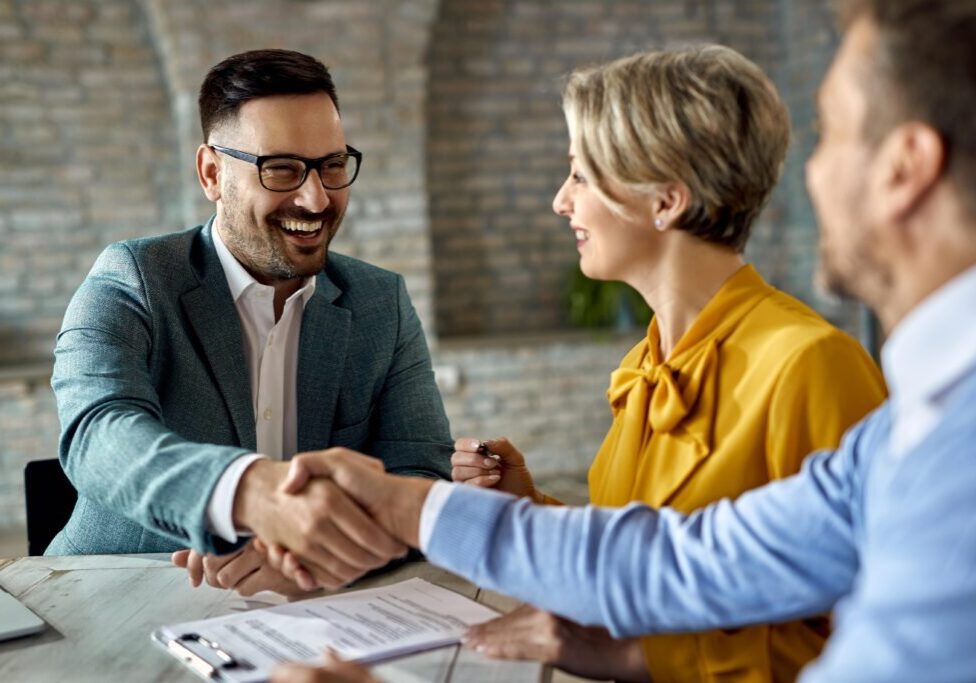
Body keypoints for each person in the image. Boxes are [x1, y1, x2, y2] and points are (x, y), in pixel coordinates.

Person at [265, 0, 976, 680]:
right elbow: (677, 559)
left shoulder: (823, 367)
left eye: (833, 134)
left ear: (666, 200)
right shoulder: (668, 370)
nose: (810, 173)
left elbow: (825, 636)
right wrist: (461, 506)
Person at [447, 44, 884, 682]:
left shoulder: (812, 364)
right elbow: (652, 561)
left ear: (665, 201)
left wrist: (635, 658)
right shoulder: (648, 361)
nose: (560, 201)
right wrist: (529, 508)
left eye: (581, 174)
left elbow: (870, 638)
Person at [47, 49, 452, 595]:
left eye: (331, 165)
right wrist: (253, 496)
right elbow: (96, 434)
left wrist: (317, 556)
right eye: (281, 169)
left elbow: (420, 474)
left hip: (317, 611)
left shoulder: (382, 301)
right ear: (212, 173)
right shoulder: (134, 277)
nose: (316, 197)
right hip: (109, 596)